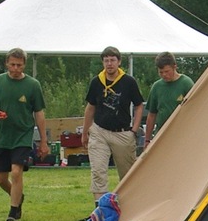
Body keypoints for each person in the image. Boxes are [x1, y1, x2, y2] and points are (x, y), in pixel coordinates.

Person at [0, 49, 48, 221]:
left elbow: (39, 113)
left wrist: (43, 141)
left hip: (23, 135)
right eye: (12, 64)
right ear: (6, 63)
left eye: (19, 65)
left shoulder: (33, 85)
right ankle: (18, 196)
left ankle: (13, 213)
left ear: (24, 65)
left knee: (16, 171)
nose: (15, 68)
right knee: (0, 178)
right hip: (2, 135)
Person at [82, 46, 145, 201]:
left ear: (119, 62)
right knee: (98, 172)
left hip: (122, 133)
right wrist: (85, 132)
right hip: (99, 131)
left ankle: (129, 206)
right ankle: (101, 209)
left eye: (112, 60)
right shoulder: (97, 82)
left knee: (128, 174)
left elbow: (139, 105)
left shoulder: (128, 82)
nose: (109, 64)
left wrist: (134, 130)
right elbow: (90, 107)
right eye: (106, 61)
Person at [143, 52, 193, 146]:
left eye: (167, 71)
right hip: (161, 135)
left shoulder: (186, 83)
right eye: (161, 72)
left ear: (175, 67)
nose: (164, 75)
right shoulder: (157, 87)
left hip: (182, 135)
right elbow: (152, 115)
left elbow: (195, 110)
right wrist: (147, 140)